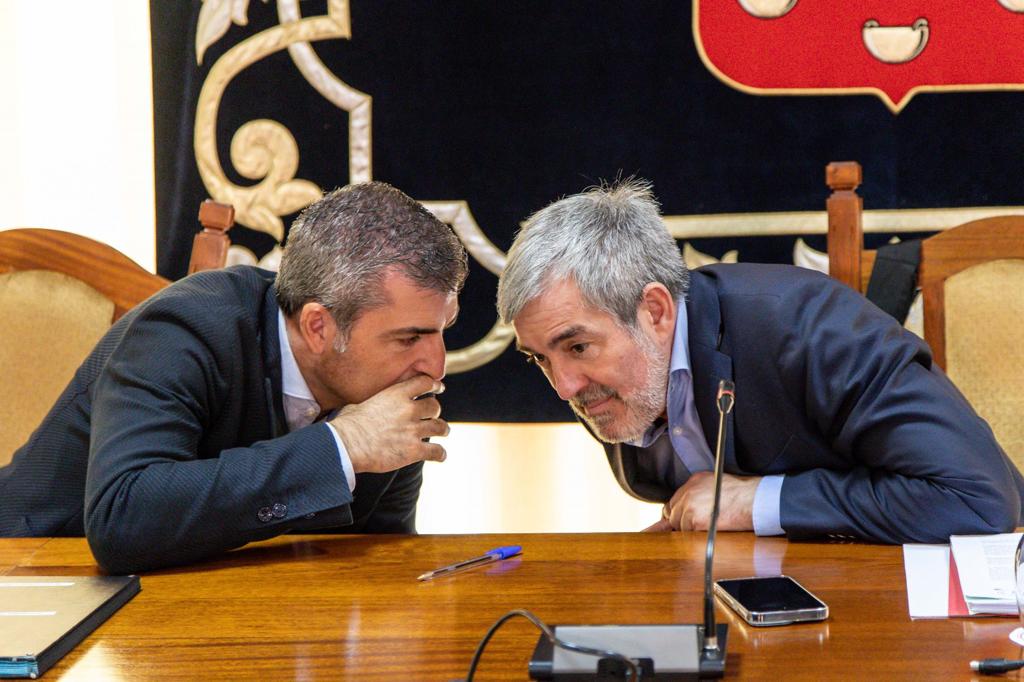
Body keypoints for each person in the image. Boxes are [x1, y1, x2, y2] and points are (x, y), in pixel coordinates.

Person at [496, 180, 1024, 544]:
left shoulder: (807, 327)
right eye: (540, 359)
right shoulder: (614, 372)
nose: (563, 386)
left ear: (654, 310)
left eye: (578, 347)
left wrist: (756, 503)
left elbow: (978, 501)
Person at [0, 182, 467, 573]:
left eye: (441, 332)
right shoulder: (184, 329)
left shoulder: (387, 392)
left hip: (218, 608)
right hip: (35, 578)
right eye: (409, 338)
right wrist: (341, 449)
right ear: (318, 326)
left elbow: (377, 556)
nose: (435, 364)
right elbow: (122, 517)